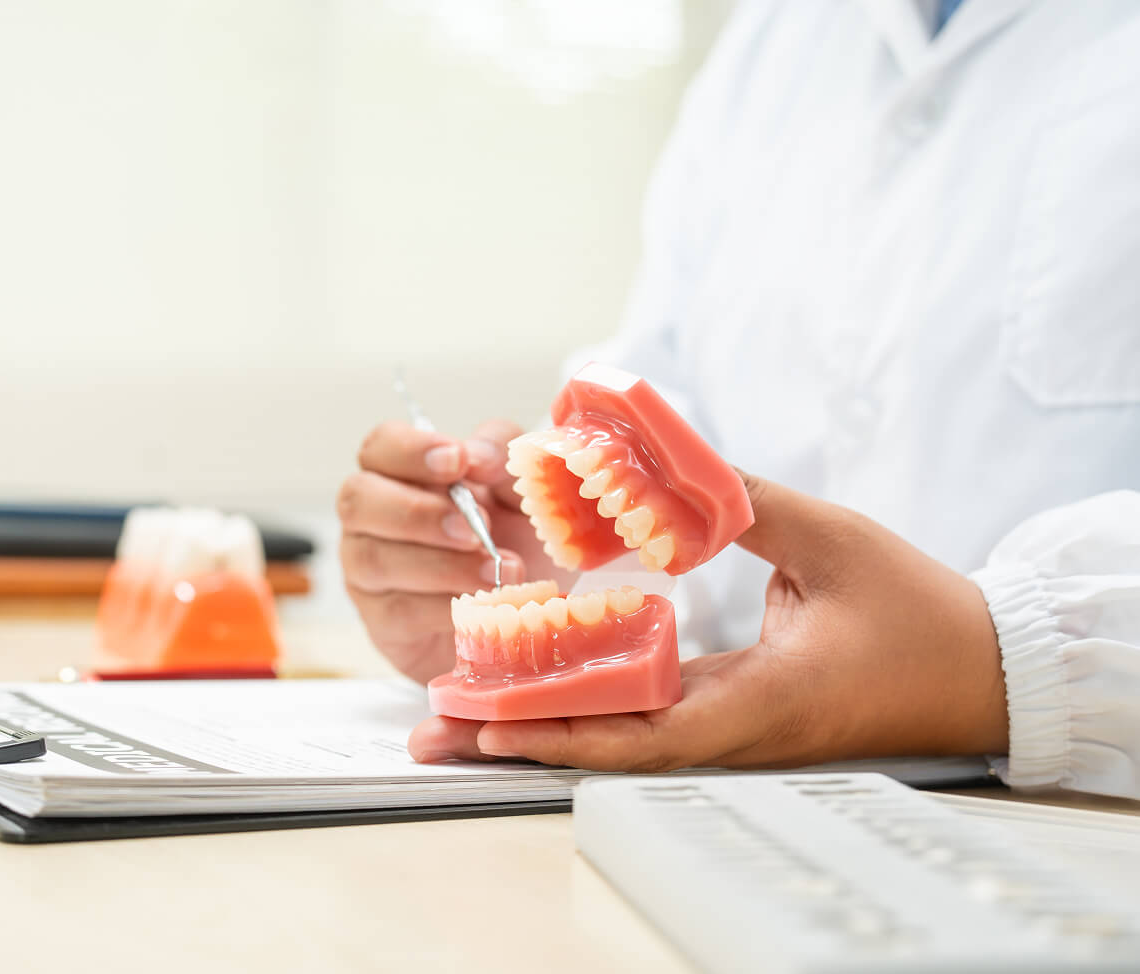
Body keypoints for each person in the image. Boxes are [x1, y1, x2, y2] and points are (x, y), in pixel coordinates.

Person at [336, 0, 1140, 799]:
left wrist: (996, 660)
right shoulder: (779, 31)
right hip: (749, 809)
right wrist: (563, 579)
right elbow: (682, 397)